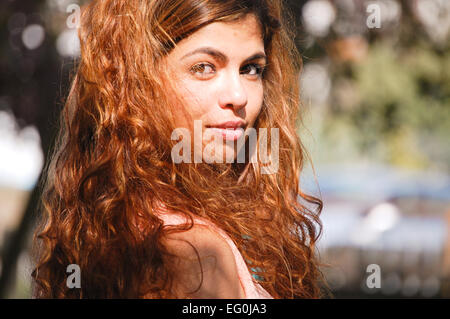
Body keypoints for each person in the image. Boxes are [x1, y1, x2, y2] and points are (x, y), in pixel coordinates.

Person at [31, 0, 324, 298]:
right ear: (139, 83)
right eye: (204, 67)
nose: (238, 96)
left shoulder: (115, 223)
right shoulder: (193, 253)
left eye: (251, 69)